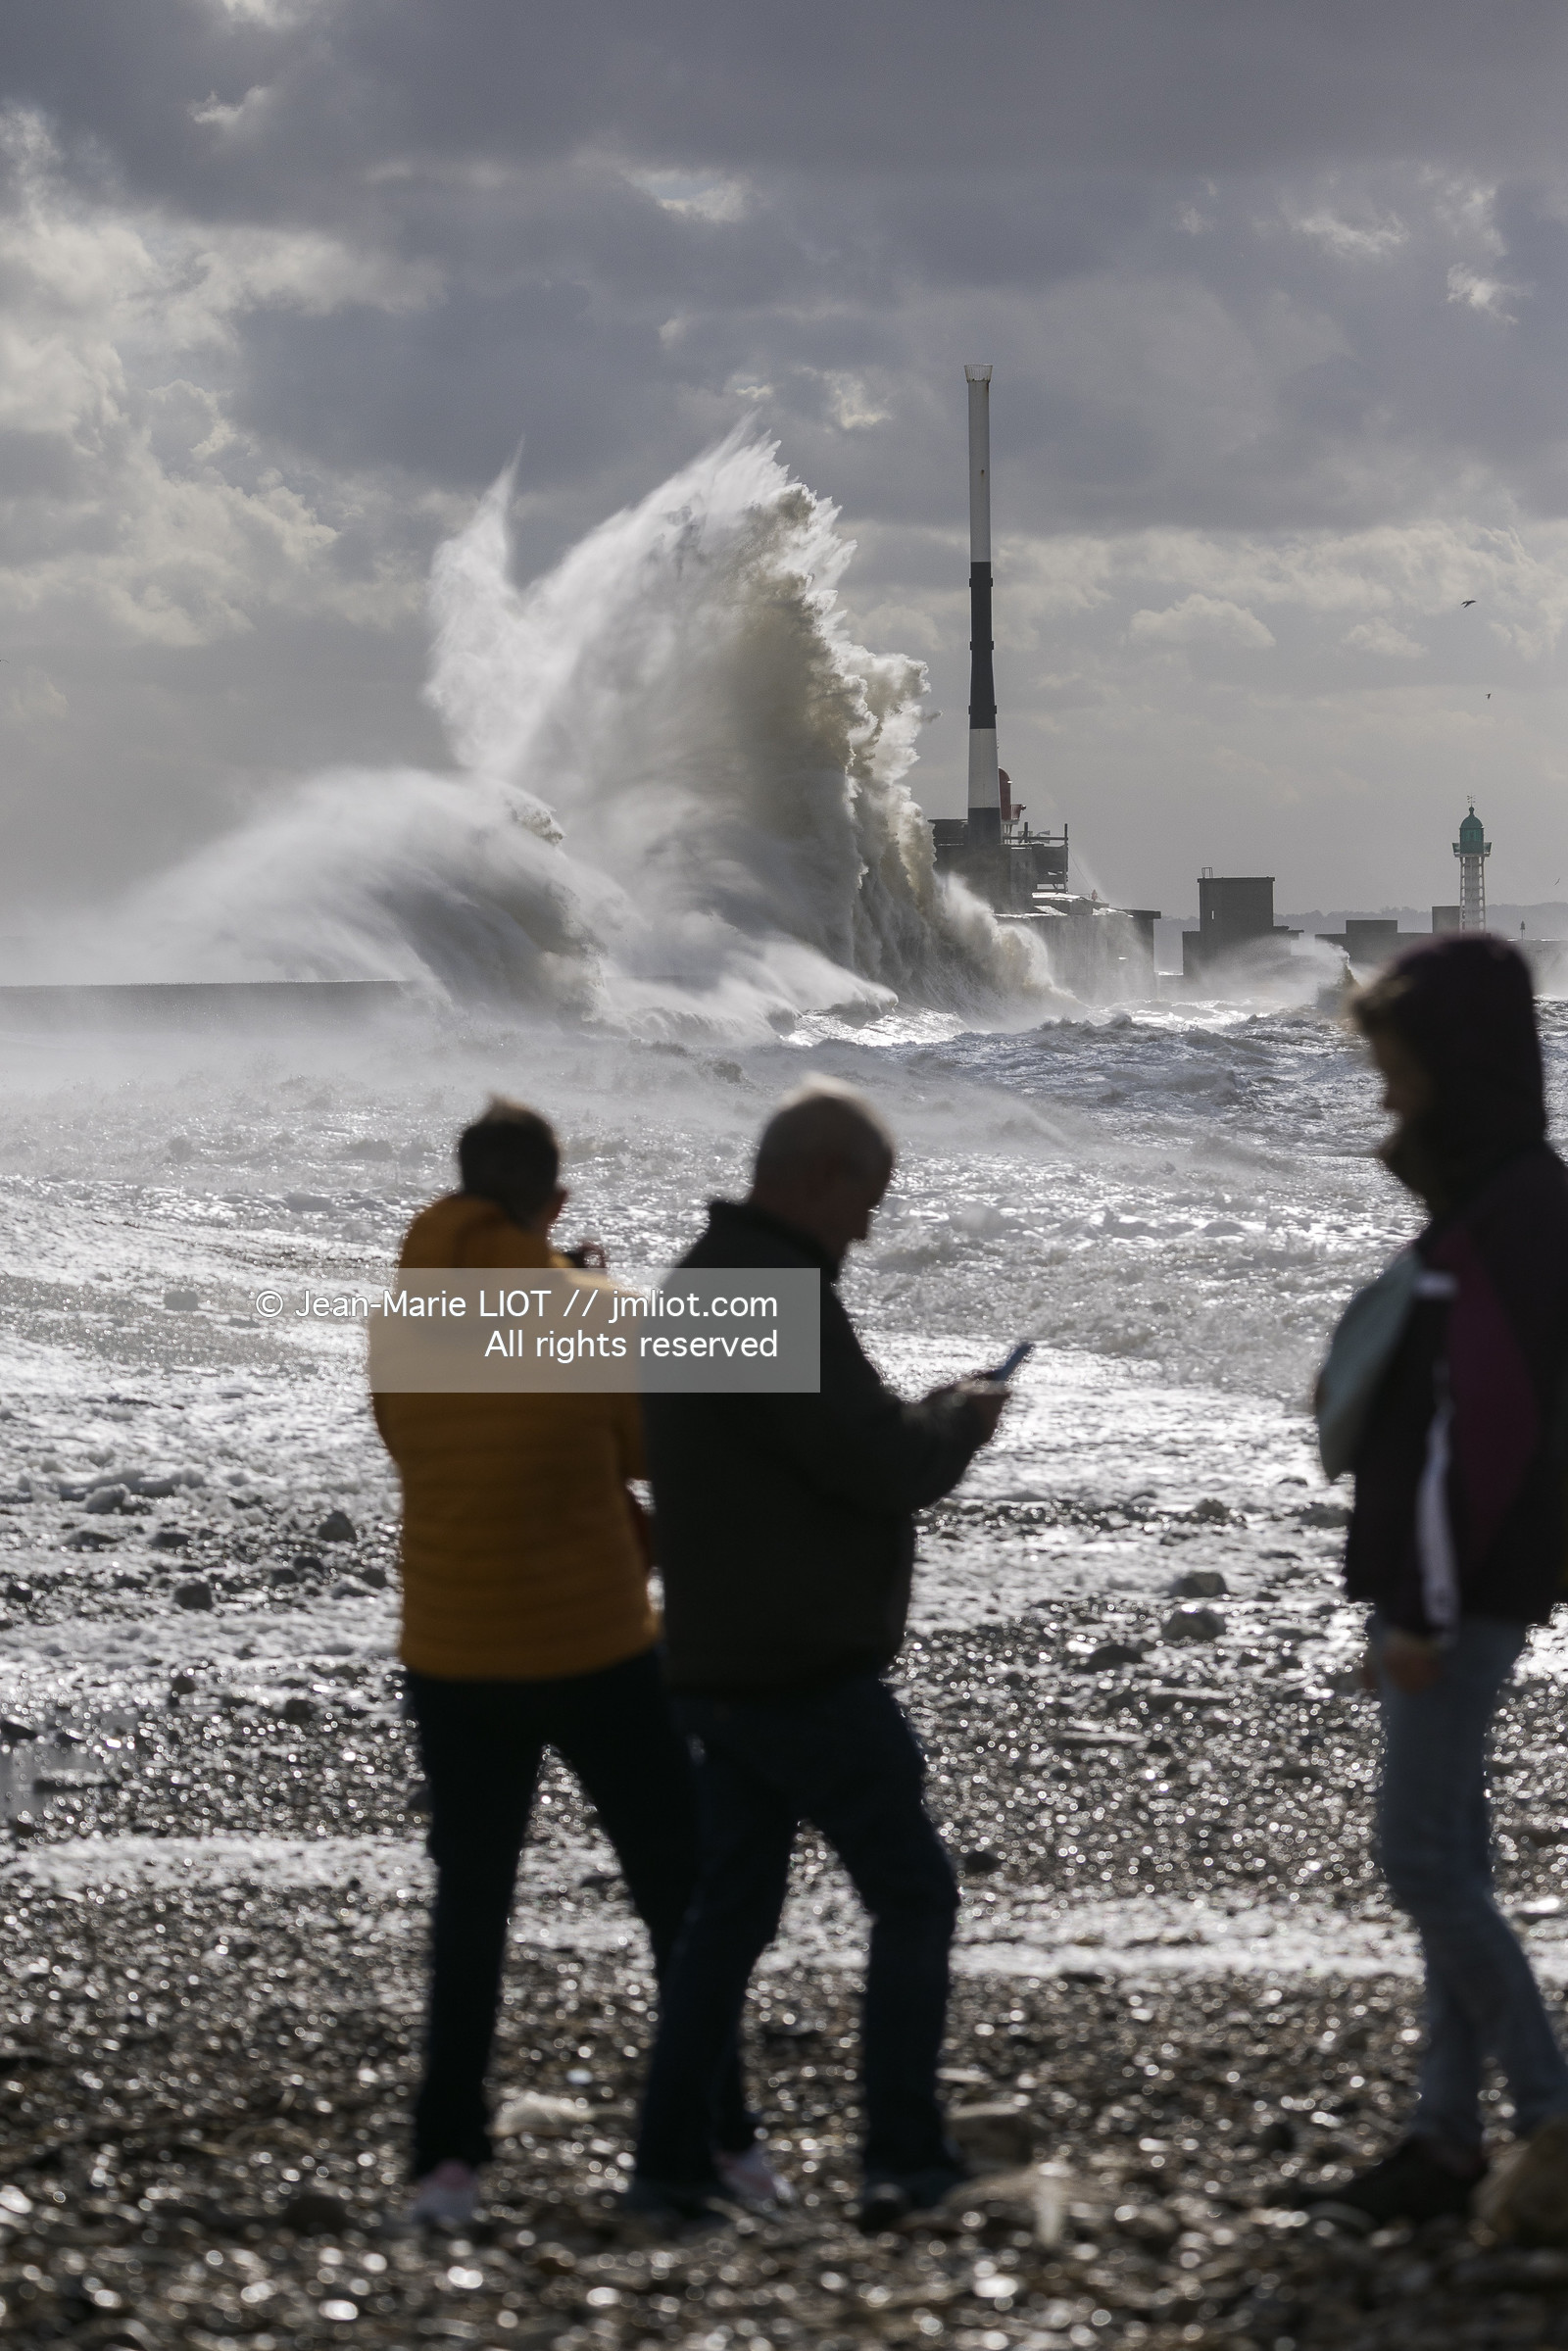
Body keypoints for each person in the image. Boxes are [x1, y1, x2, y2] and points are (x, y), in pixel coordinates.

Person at [626, 1080, 1009, 2229]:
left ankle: (669, 2166)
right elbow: (873, 1461)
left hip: (716, 1659)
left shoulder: (701, 1281)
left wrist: (919, 1421)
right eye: (867, 1198)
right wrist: (958, 1420)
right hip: (798, 1664)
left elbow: (792, 1447)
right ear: (816, 1177)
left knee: (727, 1919)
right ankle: (899, 2153)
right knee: (914, 1894)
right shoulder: (772, 1288)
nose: (869, 1226)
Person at [372, 1100, 761, 2227]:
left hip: (451, 1650)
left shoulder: (404, 1314)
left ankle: (446, 2166)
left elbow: (409, 1437)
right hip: (594, 1645)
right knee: (674, 1896)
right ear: (553, 1198)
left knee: (472, 1904)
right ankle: (725, 2142)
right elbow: (650, 1446)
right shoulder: (586, 1311)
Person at [1310, 934, 1568, 2224]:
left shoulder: (1507, 1214)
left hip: (1462, 1586)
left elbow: (1482, 1434)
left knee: (1420, 1856)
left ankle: (1549, 2113)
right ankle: (1447, 2133)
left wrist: (1420, 1605)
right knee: (1449, 1851)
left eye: (1398, 1064)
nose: (1386, 1093)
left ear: (1451, 1063)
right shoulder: (1508, 1200)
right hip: (1471, 1581)